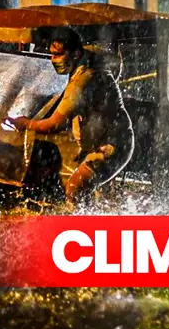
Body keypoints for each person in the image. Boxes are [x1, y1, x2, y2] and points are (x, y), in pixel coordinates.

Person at [10, 28, 134, 205]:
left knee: (74, 190)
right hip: (94, 142)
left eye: (59, 55)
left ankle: (83, 226)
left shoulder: (81, 83)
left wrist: (25, 123)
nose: (54, 60)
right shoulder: (88, 57)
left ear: (75, 54)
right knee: (85, 195)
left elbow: (53, 125)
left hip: (113, 145)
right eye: (52, 54)